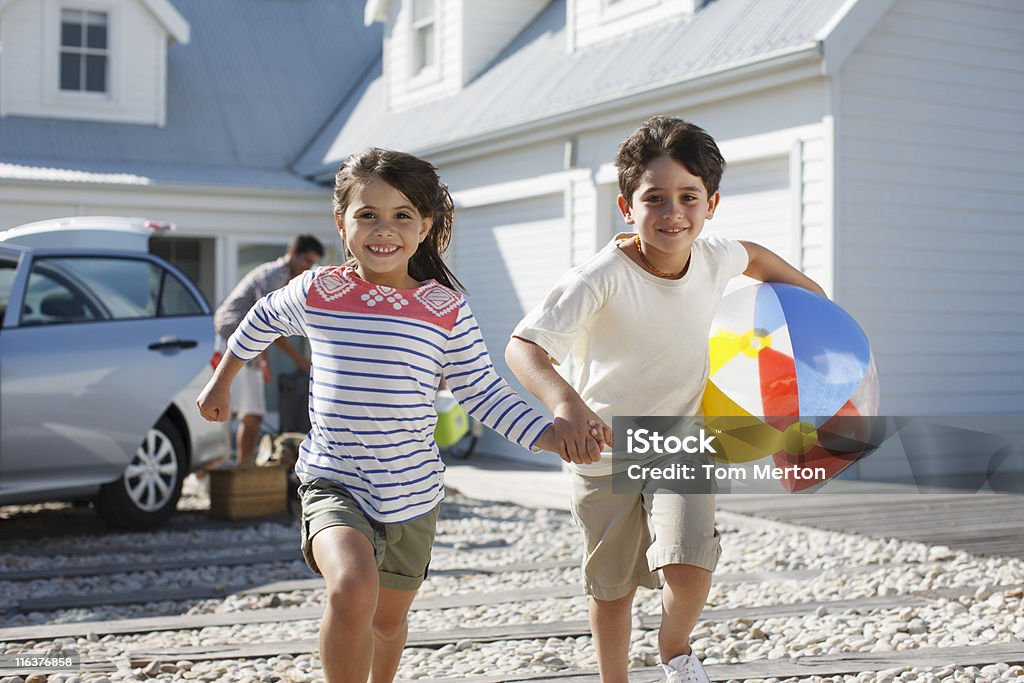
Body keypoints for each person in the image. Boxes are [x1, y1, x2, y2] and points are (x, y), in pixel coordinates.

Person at [196, 148, 560, 683]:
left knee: (387, 625)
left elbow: (482, 392)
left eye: (402, 215)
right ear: (341, 222)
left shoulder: (445, 310)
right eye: (367, 214)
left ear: (426, 228)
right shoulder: (322, 290)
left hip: (412, 495)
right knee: (351, 591)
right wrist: (222, 379)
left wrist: (549, 435)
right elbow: (261, 318)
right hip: (332, 480)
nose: (383, 229)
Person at [506, 116, 826, 683]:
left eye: (688, 197)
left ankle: (674, 648)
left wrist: (813, 304)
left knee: (690, 564)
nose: (673, 212)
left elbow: (755, 257)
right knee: (612, 587)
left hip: (678, 441)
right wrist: (566, 403)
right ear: (628, 208)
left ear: (711, 203)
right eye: (655, 199)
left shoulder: (713, 256)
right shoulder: (598, 277)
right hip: (603, 450)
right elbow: (524, 348)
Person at [213, 235, 324, 465]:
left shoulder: (290, 280)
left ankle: (241, 471)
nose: (308, 267)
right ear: (293, 251)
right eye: (306, 260)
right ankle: (211, 471)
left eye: (313, 263)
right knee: (229, 412)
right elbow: (264, 324)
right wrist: (299, 361)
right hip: (231, 342)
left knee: (250, 414)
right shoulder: (274, 275)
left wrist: (265, 361)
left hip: (247, 346)